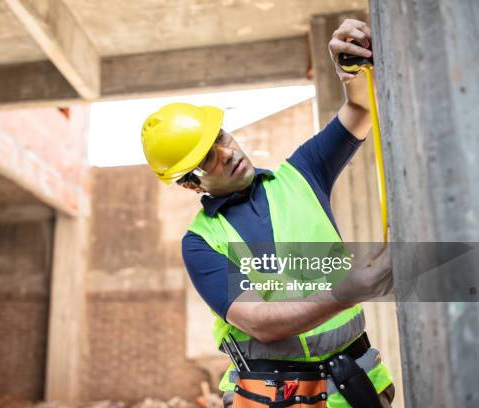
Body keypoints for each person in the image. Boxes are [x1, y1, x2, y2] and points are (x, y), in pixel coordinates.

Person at [141, 19, 394, 408]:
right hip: (272, 396)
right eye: (209, 158)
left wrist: (350, 70)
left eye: (221, 137)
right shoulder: (201, 243)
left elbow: (359, 108)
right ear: (192, 184)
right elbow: (259, 322)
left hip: (355, 385)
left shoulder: (302, 174)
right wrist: (351, 291)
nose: (229, 153)